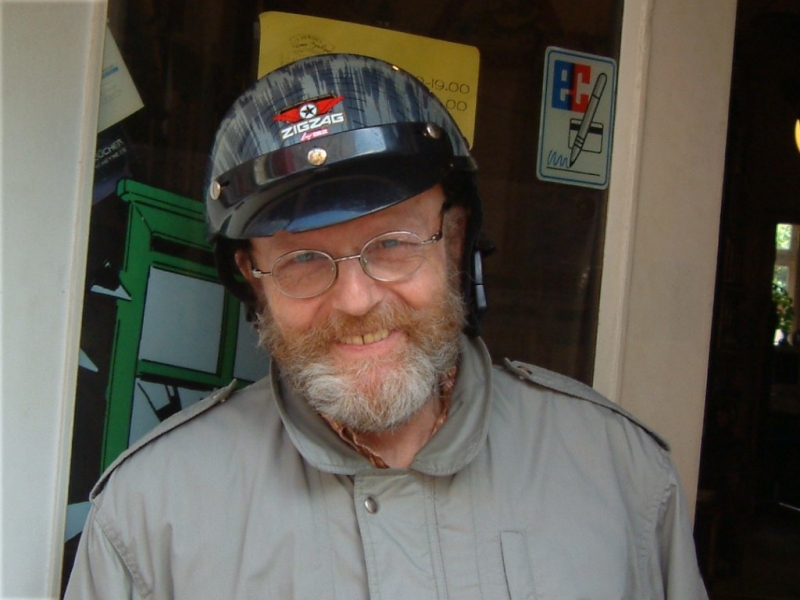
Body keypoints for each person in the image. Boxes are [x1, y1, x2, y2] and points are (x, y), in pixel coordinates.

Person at [65, 53, 708, 599]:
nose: (355, 299)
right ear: (252, 279)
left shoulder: (621, 478)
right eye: (302, 260)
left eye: (393, 244)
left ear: (454, 241)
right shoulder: (151, 516)